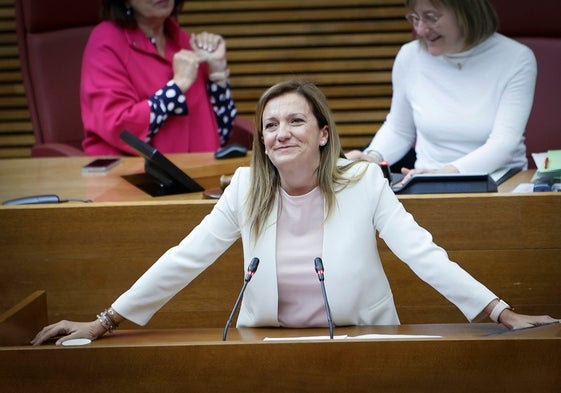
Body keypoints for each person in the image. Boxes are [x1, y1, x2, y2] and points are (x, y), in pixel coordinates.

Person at [31, 80, 557, 345]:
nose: (281, 133)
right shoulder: (246, 186)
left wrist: (499, 312)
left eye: (295, 122)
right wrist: (104, 322)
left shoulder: (364, 181)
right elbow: (183, 258)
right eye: (270, 124)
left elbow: (424, 255)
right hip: (270, 345)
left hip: (362, 342)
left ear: (323, 133)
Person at [346, 0, 537, 185]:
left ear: (467, 11)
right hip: (425, 184)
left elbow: (504, 145)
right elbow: (399, 129)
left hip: (500, 184)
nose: (420, 29)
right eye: (415, 18)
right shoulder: (409, 56)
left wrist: (443, 174)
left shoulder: (517, 58)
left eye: (431, 17)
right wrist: (372, 157)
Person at [81, 0, 237, 156]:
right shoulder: (106, 41)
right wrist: (177, 86)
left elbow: (221, 134)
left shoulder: (185, 42)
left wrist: (217, 72)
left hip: (198, 171)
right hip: (131, 174)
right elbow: (119, 129)